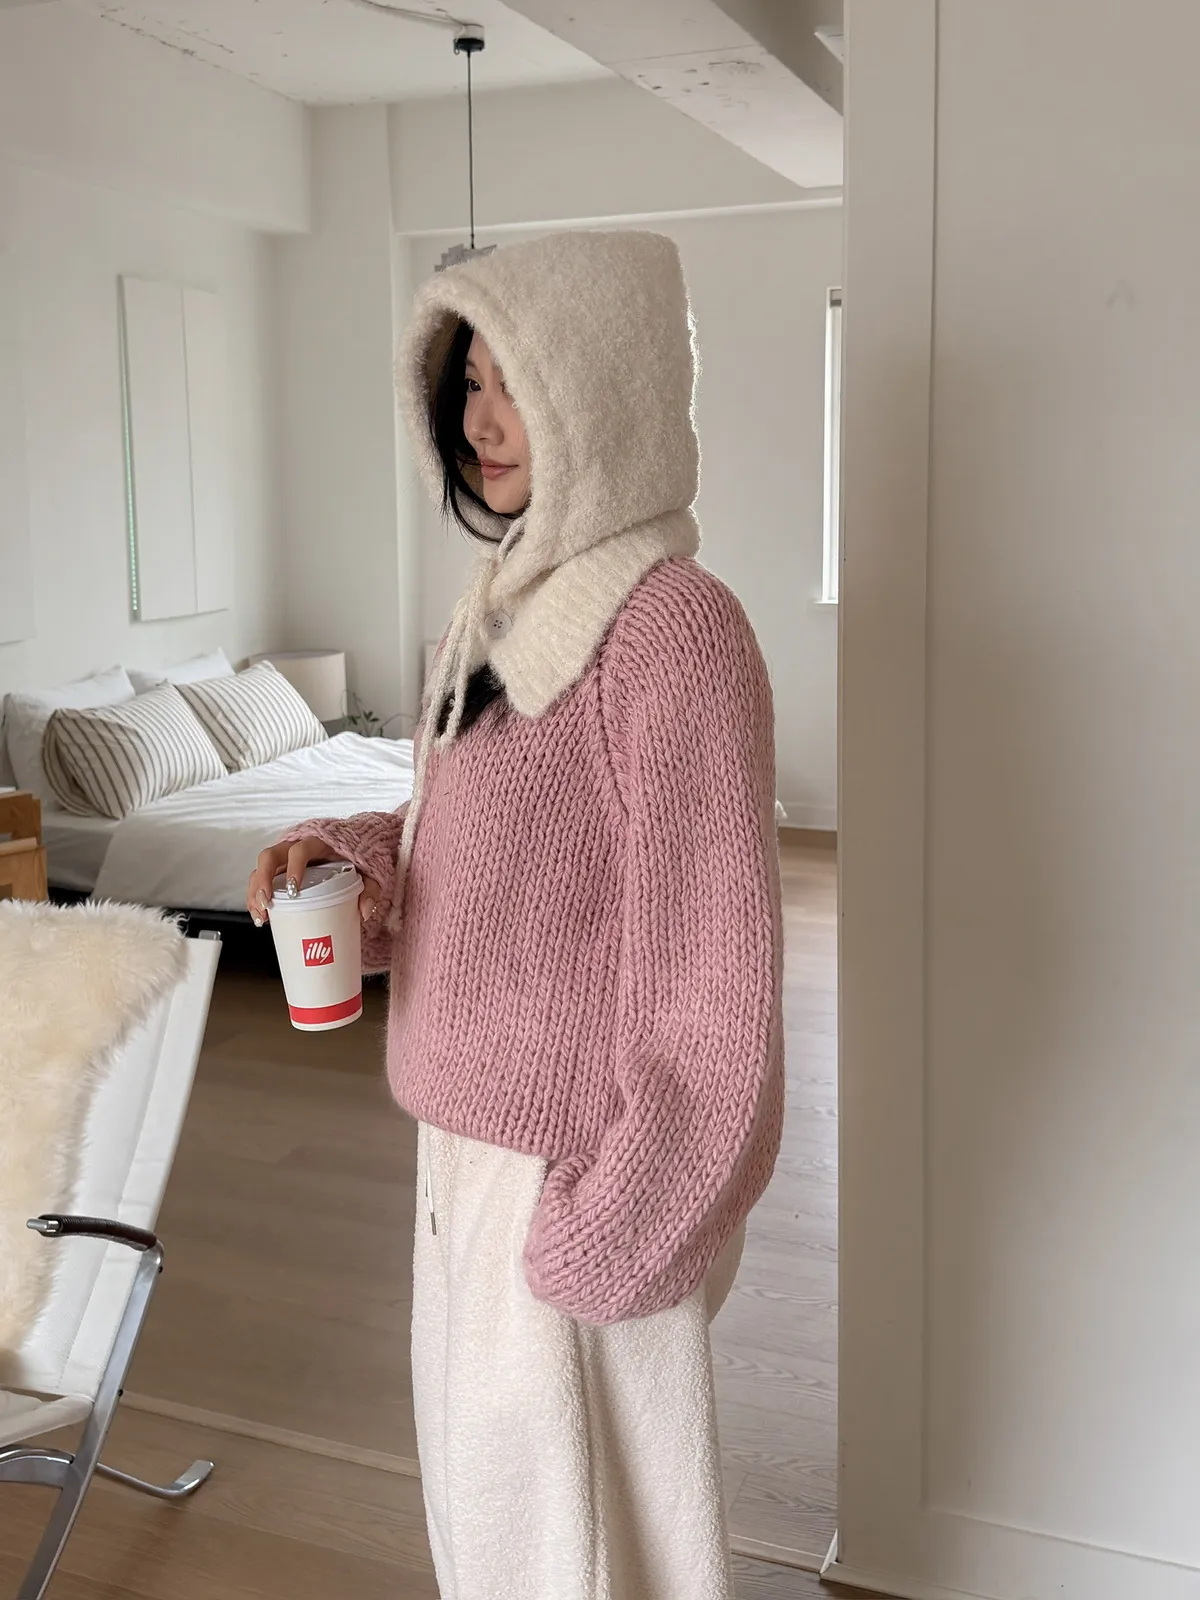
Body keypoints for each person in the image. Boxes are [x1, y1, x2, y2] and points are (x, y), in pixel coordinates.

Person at [246, 229, 784, 1600]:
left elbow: (716, 978)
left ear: (603, 390)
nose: (481, 423)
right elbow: (476, 833)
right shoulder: (498, 609)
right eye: (468, 384)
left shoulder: (673, 631)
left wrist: (625, 1220)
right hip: (464, 1153)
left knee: (588, 1558)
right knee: (496, 1536)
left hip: (577, 1166)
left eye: (516, 384)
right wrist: (357, 859)